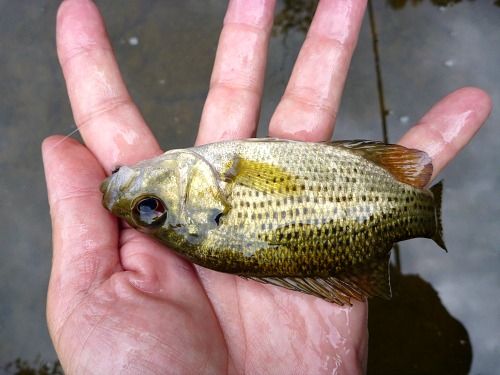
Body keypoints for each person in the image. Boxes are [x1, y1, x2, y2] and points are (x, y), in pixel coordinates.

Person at [42, 0, 491, 373]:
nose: (141, 201)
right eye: (150, 210)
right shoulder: (221, 181)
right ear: (210, 204)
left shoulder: (211, 204)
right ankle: (423, 215)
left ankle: (420, 215)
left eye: (149, 208)